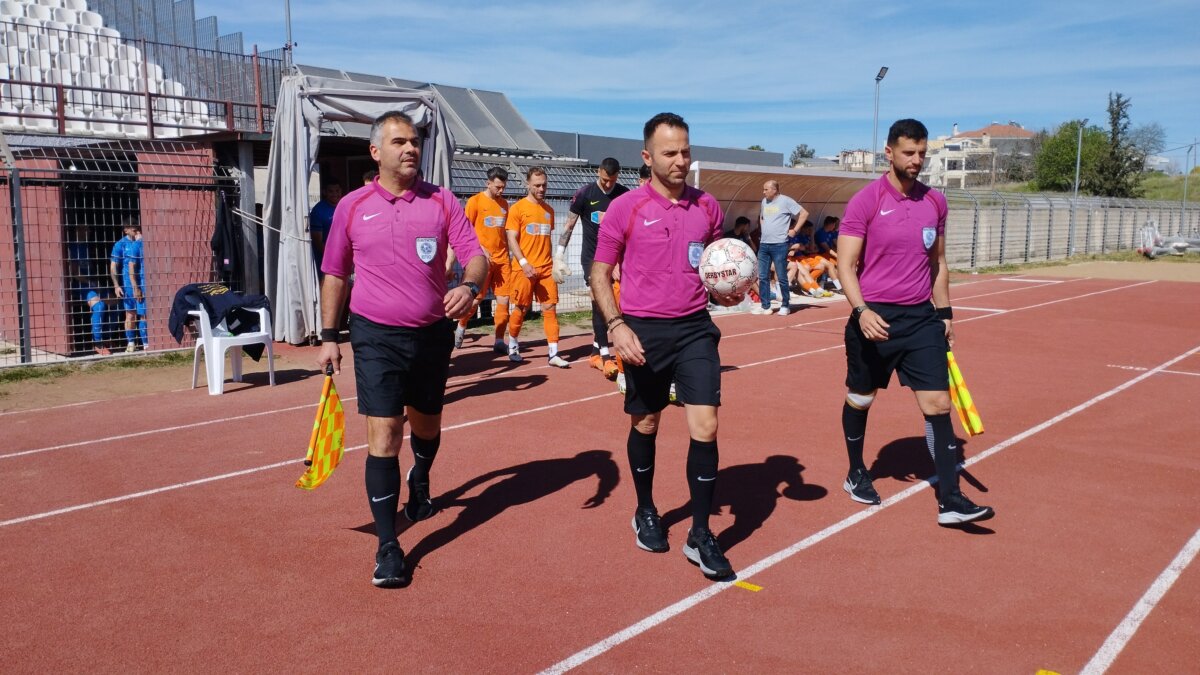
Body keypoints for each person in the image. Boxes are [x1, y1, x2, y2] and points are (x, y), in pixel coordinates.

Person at [316, 111, 488, 587]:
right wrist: (328, 337)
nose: (411, 148)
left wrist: (470, 287)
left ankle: (421, 477)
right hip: (375, 336)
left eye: (414, 141)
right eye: (399, 142)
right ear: (376, 152)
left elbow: (476, 256)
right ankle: (388, 545)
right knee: (385, 434)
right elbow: (335, 274)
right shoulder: (352, 206)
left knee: (426, 426)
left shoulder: (442, 201)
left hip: (431, 334)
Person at [591, 112, 741, 579]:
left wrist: (729, 289)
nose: (680, 160)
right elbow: (599, 273)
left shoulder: (707, 206)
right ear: (648, 156)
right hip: (643, 330)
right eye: (670, 152)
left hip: (695, 329)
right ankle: (645, 510)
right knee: (647, 421)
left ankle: (701, 533)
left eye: (685, 152)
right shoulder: (625, 208)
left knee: (706, 425)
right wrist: (616, 325)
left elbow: (717, 265)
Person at [836, 118, 994, 526]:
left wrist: (945, 313)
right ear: (889, 153)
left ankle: (951, 499)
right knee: (861, 397)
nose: (917, 160)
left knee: (938, 403)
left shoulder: (935, 202)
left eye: (922, 153)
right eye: (909, 152)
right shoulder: (866, 201)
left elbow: (937, 263)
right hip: (874, 318)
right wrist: (861, 311)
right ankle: (856, 471)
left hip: (921, 319)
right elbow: (845, 266)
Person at [554, 158, 630, 379]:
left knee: (617, 304)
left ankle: (596, 352)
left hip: (616, 258)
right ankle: (605, 357)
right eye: (605, 180)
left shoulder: (624, 195)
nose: (608, 184)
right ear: (598, 172)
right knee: (598, 300)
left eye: (612, 180)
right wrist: (558, 256)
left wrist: (620, 261)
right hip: (592, 258)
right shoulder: (585, 193)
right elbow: (569, 225)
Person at [505, 166, 569, 368]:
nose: (542, 189)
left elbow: (546, 241)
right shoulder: (517, 209)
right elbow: (511, 239)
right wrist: (524, 263)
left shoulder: (549, 211)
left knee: (550, 308)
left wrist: (555, 261)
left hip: (545, 269)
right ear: (528, 185)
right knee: (521, 308)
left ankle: (553, 353)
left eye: (544, 185)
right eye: (537, 185)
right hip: (523, 269)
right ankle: (513, 345)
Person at [454, 167, 512, 352]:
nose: (501, 190)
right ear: (488, 183)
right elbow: (465, 229)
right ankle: (462, 325)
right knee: (476, 299)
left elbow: (504, 232)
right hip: (482, 260)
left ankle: (499, 340)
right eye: (497, 187)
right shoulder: (475, 201)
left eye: (503, 187)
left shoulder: (505, 205)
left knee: (504, 299)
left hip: (502, 259)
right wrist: (480, 248)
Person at [755, 180, 808, 316]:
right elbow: (762, 217)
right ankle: (765, 306)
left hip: (780, 244)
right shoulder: (764, 201)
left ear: (774, 190)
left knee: (781, 276)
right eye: (763, 189)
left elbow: (804, 213)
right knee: (763, 276)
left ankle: (785, 305)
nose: (763, 192)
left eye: (766, 189)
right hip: (764, 244)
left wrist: (794, 230)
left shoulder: (786, 201)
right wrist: (763, 229)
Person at [109, 220, 139, 352]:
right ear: (126, 230)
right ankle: (131, 343)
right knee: (130, 314)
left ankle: (147, 343)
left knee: (145, 314)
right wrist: (116, 285)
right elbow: (113, 266)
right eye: (133, 229)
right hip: (128, 284)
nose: (136, 231)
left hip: (144, 282)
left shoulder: (142, 242)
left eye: (137, 228)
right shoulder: (120, 244)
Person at [309, 181, 343, 272]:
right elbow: (318, 242)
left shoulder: (345, 205)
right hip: (326, 261)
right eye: (331, 191)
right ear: (324, 192)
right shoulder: (318, 211)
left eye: (337, 191)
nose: (335, 194)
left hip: (344, 257)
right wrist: (333, 258)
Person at [127, 224, 148, 350]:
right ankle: (146, 345)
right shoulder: (137, 245)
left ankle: (149, 344)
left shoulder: (147, 244)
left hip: (151, 284)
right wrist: (136, 287)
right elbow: (131, 268)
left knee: (148, 315)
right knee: (144, 315)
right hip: (143, 284)